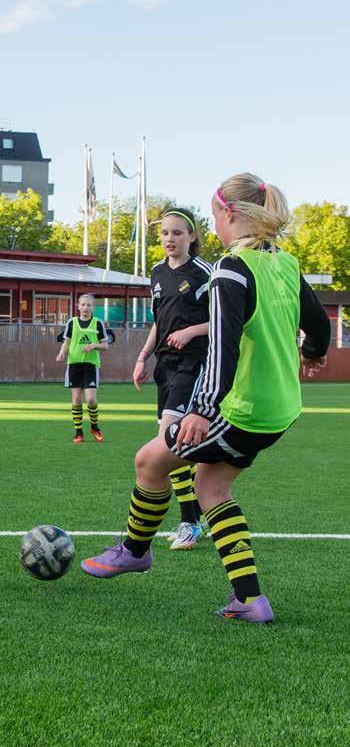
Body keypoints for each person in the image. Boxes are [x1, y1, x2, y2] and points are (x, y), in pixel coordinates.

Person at [81, 173, 331, 624]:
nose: (213, 223)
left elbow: (223, 347)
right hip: (280, 410)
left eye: (213, 214)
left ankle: (135, 552)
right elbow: (319, 327)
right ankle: (250, 601)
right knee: (211, 486)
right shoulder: (286, 264)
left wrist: (201, 409)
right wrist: (312, 355)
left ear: (228, 214)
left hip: (241, 410)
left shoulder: (231, 270)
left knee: (149, 462)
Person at [133, 208, 211, 551]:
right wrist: (142, 357)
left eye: (177, 233)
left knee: (167, 443)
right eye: (165, 233)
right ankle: (194, 519)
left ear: (192, 237)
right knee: (169, 445)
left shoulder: (205, 273)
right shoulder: (157, 273)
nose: (169, 239)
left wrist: (192, 331)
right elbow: (157, 321)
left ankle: (190, 522)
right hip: (164, 365)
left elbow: (228, 321)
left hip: (193, 363)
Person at [55, 293, 109, 443]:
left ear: (93, 307)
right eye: (83, 304)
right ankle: (78, 432)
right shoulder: (72, 323)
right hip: (74, 365)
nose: (85, 307)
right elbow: (66, 342)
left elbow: (105, 345)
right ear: (78, 306)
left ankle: (95, 427)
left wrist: (94, 345)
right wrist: (61, 354)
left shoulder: (97, 323)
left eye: (89, 305)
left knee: (91, 399)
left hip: (91, 366)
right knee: (77, 400)